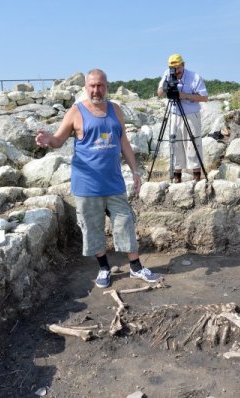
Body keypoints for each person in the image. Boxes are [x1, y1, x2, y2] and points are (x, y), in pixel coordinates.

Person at [35, 69, 159, 288]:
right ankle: (103, 268)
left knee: (125, 222)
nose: (96, 90)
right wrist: (47, 140)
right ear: (85, 87)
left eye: (100, 85)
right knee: (93, 227)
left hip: (113, 182)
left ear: (106, 86)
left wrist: (135, 170)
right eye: (92, 85)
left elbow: (124, 144)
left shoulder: (116, 110)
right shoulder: (76, 111)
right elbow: (58, 140)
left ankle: (136, 267)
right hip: (86, 185)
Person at [157, 53, 208, 183]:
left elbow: (204, 97)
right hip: (174, 113)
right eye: (172, 68)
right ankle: (177, 176)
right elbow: (159, 93)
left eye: (178, 68)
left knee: (193, 142)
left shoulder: (194, 77)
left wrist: (185, 95)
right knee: (175, 143)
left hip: (191, 114)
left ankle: (197, 175)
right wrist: (165, 86)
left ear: (183, 65)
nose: (176, 71)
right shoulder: (168, 74)